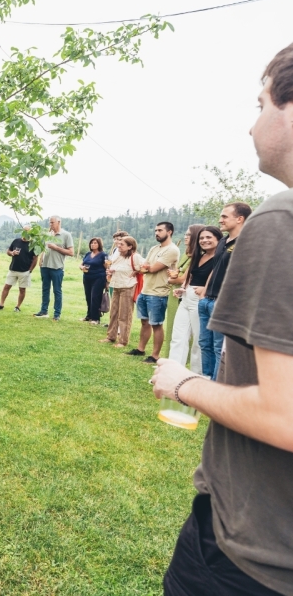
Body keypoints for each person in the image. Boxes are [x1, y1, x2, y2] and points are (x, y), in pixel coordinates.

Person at [152, 43, 293, 596]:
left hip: (252, 555)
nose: (252, 125)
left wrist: (185, 383)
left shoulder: (281, 220)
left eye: (261, 105)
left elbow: (284, 416)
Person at [198, 202, 252, 379]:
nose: (220, 220)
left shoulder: (247, 241)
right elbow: (215, 268)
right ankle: (206, 379)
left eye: (224, 216)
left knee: (218, 347)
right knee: (204, 343)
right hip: (207, 301)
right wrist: (204, 293)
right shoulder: (222, 241)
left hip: (224, 303)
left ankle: (215, 384)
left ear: (239, 219)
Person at [168, 225, 222, 374]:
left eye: (208, 237)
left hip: (201, 300)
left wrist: (205, 289)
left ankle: (195, 375)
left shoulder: (220, 258)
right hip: (186, 298)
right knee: (178, 337)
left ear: (219, 239)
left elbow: (220, 279)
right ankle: (173, 373)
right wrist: (184, 288)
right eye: (202, 238)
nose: (204, 240)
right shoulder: (198, 256)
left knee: (199, 341)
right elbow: (191, 276)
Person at [126, 222, 180, 364]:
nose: (156, 233)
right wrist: (145, 268)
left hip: (159, 292)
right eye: (155, 230)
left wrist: (146, 268)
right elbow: (143, 266)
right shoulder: (154, 248)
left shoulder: (172, 250)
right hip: (145, 290)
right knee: (144, 322)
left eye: (160, 230)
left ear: (169, 232)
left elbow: (153, 268)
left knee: (156, 324)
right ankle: (140, 349)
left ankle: (155, 355)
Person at [99, 236, 143, 347]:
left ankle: (123, 341)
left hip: (128, 287)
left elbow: (144, 267)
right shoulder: (118, 255)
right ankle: (111, 336)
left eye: (122, 244)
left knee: (124, 315)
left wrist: (136, 271)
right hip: (116, 285)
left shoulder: (135, 257)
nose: (118, 246)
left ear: (130, 246)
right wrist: (110, 271)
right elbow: (113, 266)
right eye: (118, 244)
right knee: (113, 313)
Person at [33, 216, 74, 321]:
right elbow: (43, 248)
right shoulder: (47, 235)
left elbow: (71, 252)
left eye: (52, 222)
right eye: (49, 223)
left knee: (57, 290)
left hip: (57, 267)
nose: (50, 225)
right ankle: (43, 311)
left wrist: (56, 247)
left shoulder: (66, 235)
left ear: (59, 222)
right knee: (45, 289)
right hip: (45, 266)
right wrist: (41, 259)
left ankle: (57, 314)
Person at [0, 226, 37, 312]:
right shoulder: (16, 241)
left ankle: (17, 307)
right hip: (13, 269)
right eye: (24, 231)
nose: (25, 233)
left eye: (27, 231)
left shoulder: (32, 244)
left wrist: (30, 270)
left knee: (22, 289)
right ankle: (1, 304)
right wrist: (12, 253)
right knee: (6, 287)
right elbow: (8, 251)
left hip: (24, 271)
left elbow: (35, 258)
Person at [80, 237, 108, 325]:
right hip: (87, 277)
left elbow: (107, 267)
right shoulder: (88, 254)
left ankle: (96, 318)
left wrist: (107, 281)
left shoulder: (103, 255)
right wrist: (82, 267)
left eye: (95, 243)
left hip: (99, 278)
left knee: (95, 297)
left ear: (99, 244)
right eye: (92, 243)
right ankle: (89, 315)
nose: (93, 244)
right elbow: (81, 264)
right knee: (88, 296)